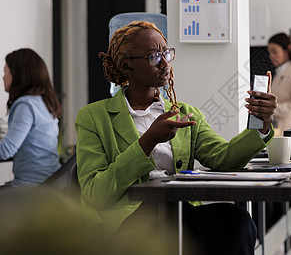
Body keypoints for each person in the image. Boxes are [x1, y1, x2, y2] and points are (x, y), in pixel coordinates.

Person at [75, 21, 277, 255]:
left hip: (181, 210)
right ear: (126, 65)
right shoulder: (93, 117)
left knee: (236, 221)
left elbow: (224, 158)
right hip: (131, 218)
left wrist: (260, 123)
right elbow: (95, 193)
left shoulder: (184, 112)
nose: (164, 63)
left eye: (166, 53)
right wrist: (147, 142)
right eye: (153, 56)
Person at [0, 48, 61, 187]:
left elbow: (6, 151)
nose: (3, 77)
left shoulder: (26, 105)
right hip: (51, 183)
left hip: (32, 188)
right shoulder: (43, 102)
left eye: (5, 71)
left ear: (18, 75)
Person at [267, 33, 291, 133]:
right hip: (280, 129)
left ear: (288, 49)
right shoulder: (279, 73)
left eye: (275, 52)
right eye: (269, 53)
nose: (271, 56)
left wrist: (271, 108)